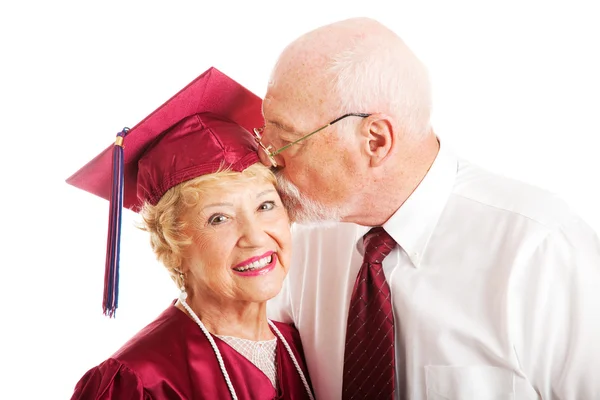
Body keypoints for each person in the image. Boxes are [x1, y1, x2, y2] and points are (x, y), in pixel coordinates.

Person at [256, 17, 600, 399]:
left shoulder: (540, 251)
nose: (267, 159)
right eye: (263, 136)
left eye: (286, 141)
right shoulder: (298, 240)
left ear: (375, 141)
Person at [66, 67, 314, 400]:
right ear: (173, 245)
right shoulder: (137, 382)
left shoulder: (306, 348)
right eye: (219, 218)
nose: (255, 236)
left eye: (265, 206)